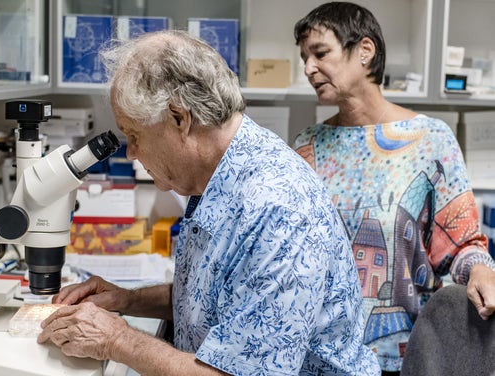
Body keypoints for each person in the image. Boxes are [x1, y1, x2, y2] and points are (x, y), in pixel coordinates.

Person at [36, 29, 380, 375]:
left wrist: (116, 339)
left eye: (135, 135)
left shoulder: (277, 210)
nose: (132, 152)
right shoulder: (219, 175)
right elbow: (216, 297)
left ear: (179, 118)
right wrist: (127, 300)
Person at [293, 2, 495, 374]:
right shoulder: (308, 146)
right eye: (304, 57)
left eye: (320, 53)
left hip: (405, 359)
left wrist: (482, 271)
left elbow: (462, 244)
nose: (308, 68)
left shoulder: (430, 140)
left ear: (364, 52)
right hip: (319, 358)